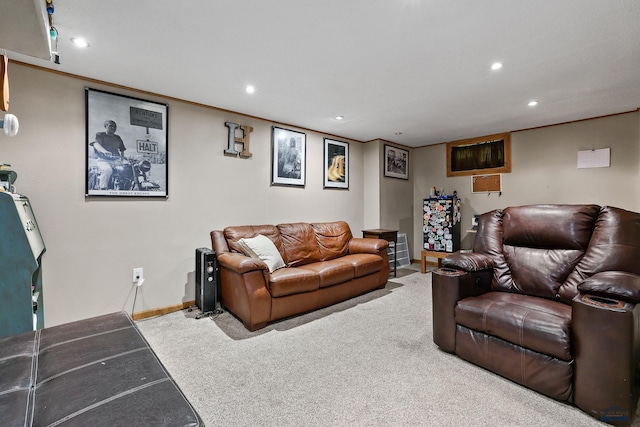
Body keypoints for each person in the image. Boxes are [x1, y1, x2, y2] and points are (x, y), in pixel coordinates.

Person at [90, 120, 127, 189]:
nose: (113, 128)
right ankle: (103, 189)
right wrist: (104, 151)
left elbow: (122, 149)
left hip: (116, 160)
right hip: (103, 160)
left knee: (125, 171)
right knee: (107, 170)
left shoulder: (117, 137)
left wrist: (122, 161)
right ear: (105, 126)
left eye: (114, 126)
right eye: (110, 126)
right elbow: (96, 144)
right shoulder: (99, 135)